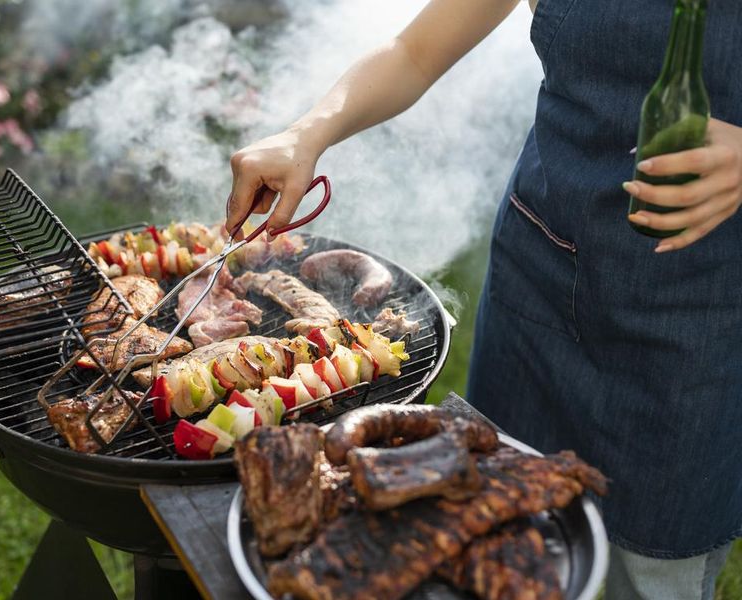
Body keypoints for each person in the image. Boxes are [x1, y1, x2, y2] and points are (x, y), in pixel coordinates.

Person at [225, 1, 742, 598]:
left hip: (696, 316)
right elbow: (413, 53)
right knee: (485, 526)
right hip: (540, 273)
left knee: (655, 579)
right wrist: (303, 133)